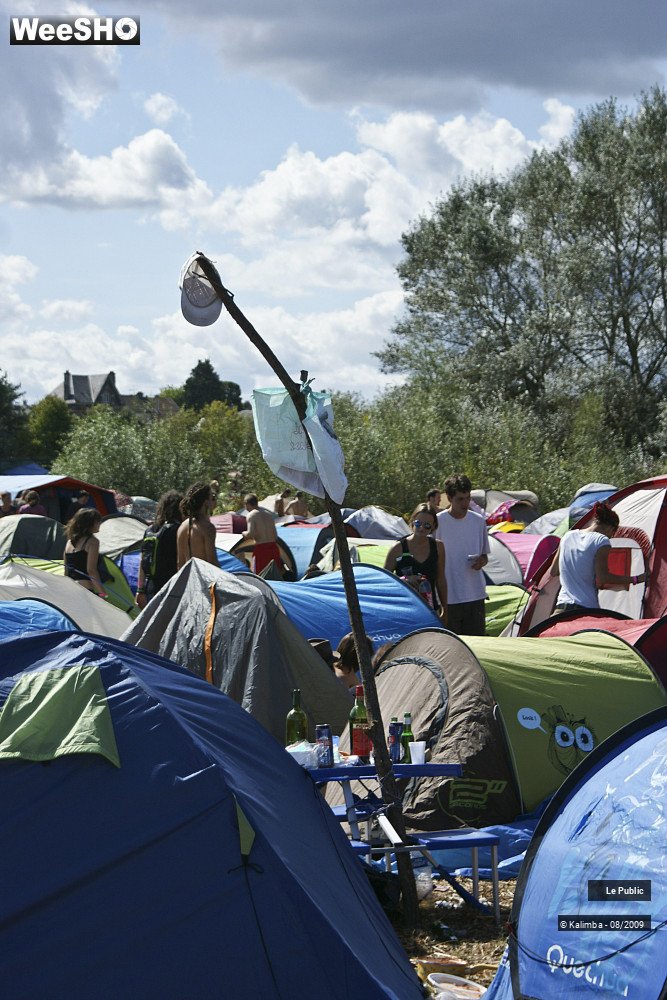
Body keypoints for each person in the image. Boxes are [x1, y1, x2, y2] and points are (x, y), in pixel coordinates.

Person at [549, 501, 647, 613]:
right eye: (612, 534)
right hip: (585, 608)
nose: (611, 537)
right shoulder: (601, 540)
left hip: (561, 608)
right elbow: (603, 577)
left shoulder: (567, 536)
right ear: (610, 528)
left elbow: (554, 571)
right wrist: (636, 579)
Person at [435, 473, 489, 635]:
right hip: (448, 597)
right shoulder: (438, 522)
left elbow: (485, 555)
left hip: (475, 595)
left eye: (468, 498)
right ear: (449, 498)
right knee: (451, 644)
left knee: (475, 645)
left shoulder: (478, 521)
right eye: (460, 499)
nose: (465, 503)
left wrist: (481, 561)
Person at [384, 504, 448, 622]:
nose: (422, 528)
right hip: (404, 611)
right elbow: (385, 581)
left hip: (430, 610)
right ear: (412, 521)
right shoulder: (398, 548)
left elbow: (441, 579)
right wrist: (405, 580)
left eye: (427, 525)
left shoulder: (438, 546)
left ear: (434, 526)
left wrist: (445, 609)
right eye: (418, 523)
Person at [136, 490, 183, 609]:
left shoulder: (150, 530)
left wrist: (140, 590)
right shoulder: (177, 530)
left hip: (150, 586)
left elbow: (142, 562)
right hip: (169, 586)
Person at [63, 508, 106, 597]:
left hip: (70, 589)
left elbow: (66, 570)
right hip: (85, 589)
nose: (100, 524)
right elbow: (91, 571)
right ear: (89, 524)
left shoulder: (69, 542)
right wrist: (103, 594)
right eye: (97, 521)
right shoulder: (93, 542)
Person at [176, 482, 218, 570]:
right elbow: (213, 565)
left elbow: (180, 563)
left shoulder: (182, 527)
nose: (214, 500)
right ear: (205, 502)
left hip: (188, 576)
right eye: (212, 497)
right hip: (204, 577)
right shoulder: (207, 528)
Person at [243, 493, 284, 575]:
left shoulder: (251, 515)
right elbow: (275, 536)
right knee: (275, 575)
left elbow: (250, 534)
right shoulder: (268, 515)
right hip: (273, 548)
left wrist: (244, 533)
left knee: (261, 576)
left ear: (247, 504)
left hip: (262, 549)